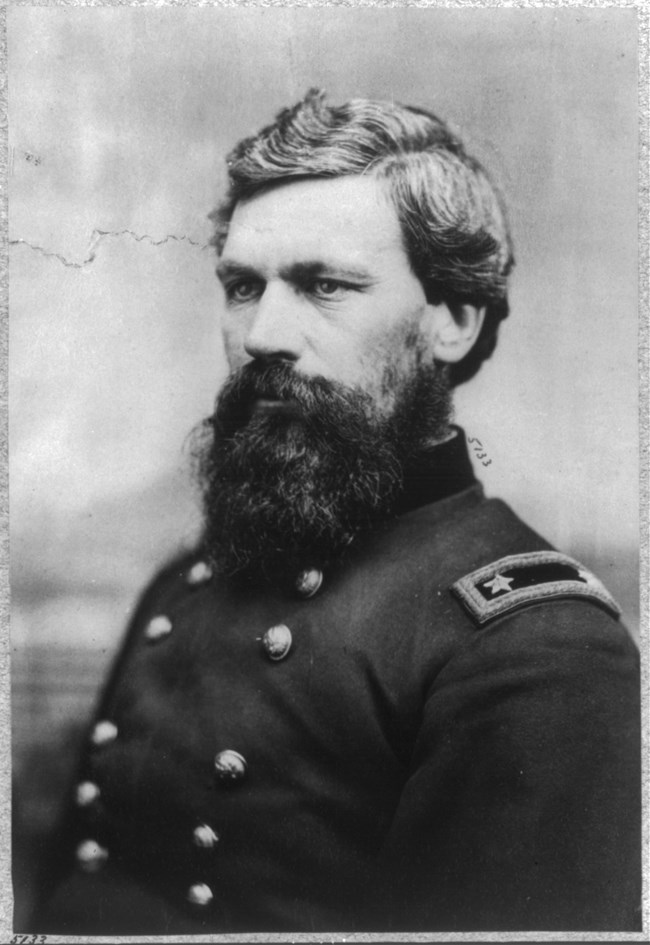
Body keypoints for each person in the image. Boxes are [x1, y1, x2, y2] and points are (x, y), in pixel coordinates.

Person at [32, 90, 640, 934]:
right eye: (243, 286)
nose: (264, 335)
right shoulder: (191, 580)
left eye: (325, 285)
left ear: (454, 320)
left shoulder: (533, 644)